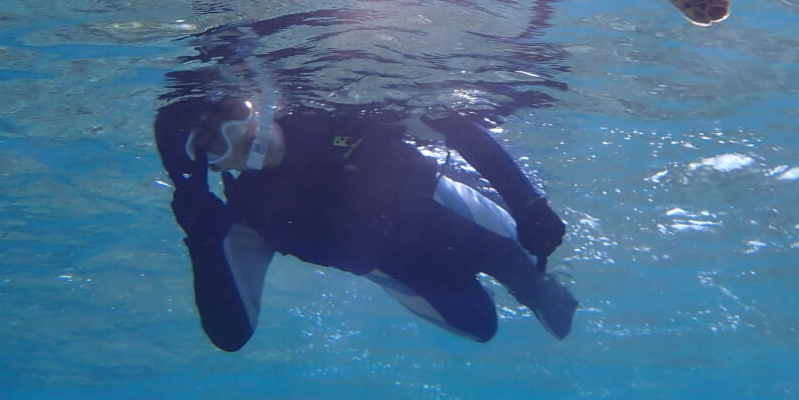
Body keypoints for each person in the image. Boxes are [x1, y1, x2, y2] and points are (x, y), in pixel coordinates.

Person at [154, 96, 577, 351]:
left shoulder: (332, 117)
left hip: (472, 229)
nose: (236, 138)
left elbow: (451, 122)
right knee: (482, 330)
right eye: (210, 144)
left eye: (233, 113)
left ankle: (538, 286)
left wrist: (528, 204)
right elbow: (231, 334)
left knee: (535, 285)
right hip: (419, 277)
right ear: (208, 165)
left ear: (255, 101)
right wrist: (202, 234)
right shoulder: (248, 214)